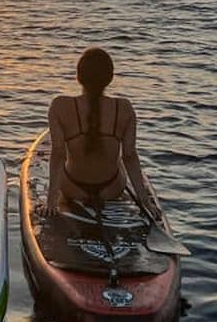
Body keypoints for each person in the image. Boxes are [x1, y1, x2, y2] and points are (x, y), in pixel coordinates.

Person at [45, 48, 161, 217]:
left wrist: (50, 202)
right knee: (120, 161)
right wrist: (145, 201)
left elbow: (58, 154)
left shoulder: (59, 106)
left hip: (72, 187)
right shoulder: (124, 108)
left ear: (78, 76)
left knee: (66, 160)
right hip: (111, 189)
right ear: (110, 78)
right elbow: (129, 156)